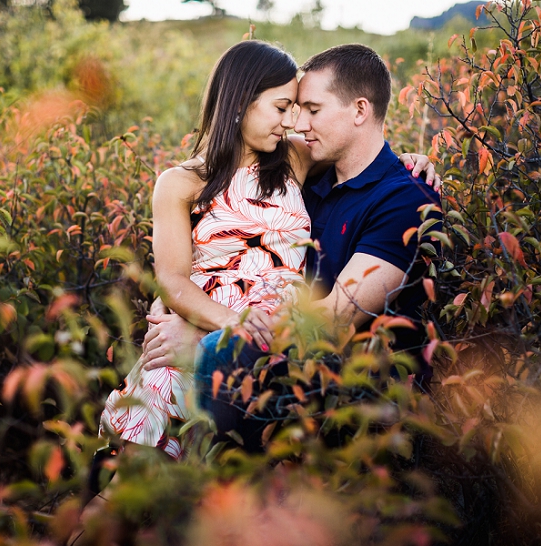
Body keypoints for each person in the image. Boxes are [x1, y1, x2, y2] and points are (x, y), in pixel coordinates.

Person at [99, 40, 437, 459]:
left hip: (275, 351)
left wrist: (410, 161)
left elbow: (364, 153)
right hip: (219, 320)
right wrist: (221, 321)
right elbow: (172, 276)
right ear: (241, 102)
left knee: (184, 481)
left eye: (305, 109)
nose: (295, 123)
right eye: (286, 108)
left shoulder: (297, 161)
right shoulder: (186, 182)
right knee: (134, 474)